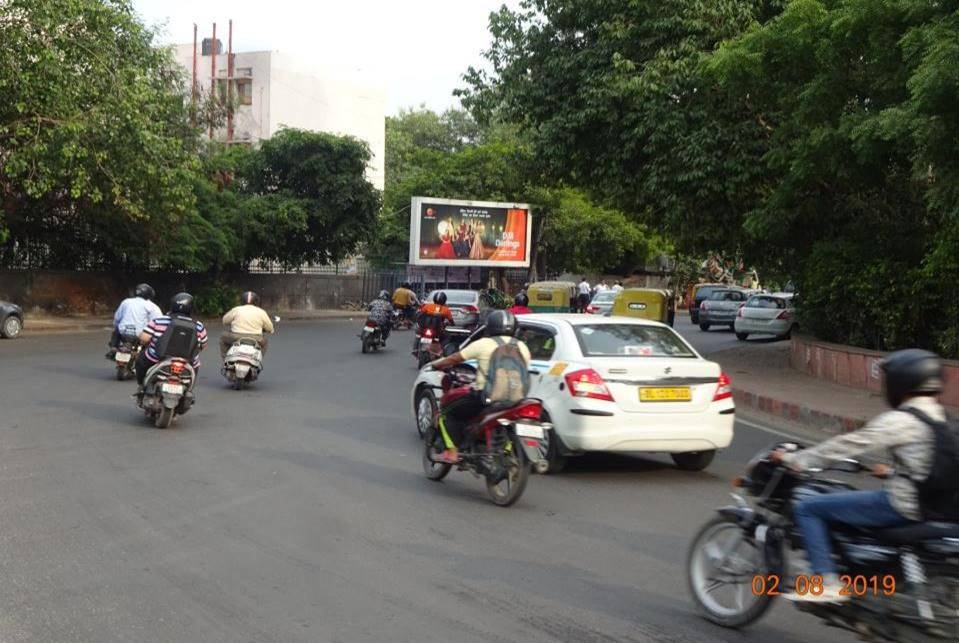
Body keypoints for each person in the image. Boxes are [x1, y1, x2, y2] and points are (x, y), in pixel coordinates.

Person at [771, 349, 945, 603]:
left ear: (901, 383)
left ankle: (826, 582)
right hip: (934, 505)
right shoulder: (941, 418)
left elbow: (849, 444)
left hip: (903, 505)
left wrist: (798, 459)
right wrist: (895, 472)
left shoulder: (901, 420)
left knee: (809, 508)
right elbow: (932, 465)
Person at [428, 310, 531, 463]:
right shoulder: (522, 347)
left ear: (490, 327)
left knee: (447, 411)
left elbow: (456, 358)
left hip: (486, 397)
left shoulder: (484, 344)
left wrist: (437, 364)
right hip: (516, 399)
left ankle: (452, 451)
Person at [135, 292, 208, 392]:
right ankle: (188, 391)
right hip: (188, 362)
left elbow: (144, 338)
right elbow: (203, 344)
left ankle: (142, 386)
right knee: (195, 369)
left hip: (156, 358)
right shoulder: (198, 325)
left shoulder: (159, 320)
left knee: (140, 362)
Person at [106, 283, 161, 359]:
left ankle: (113, 347)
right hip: (141, 335)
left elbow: (117, 318)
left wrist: (116, 327)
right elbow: (158, 322)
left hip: (123, 333)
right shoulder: (152, 306)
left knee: (116, 329)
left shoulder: (126, 302)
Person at [219, 291, 274, 358]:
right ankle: (257, 359)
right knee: (265, 343)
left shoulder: (236, 309)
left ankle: (226, 358)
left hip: (235, 337)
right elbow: (270, 328)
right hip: (256, 338)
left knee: (223, 338)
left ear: (242, 301)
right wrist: (270, 330)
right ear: (256, 301)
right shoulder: (261, 312)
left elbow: (225, 320)